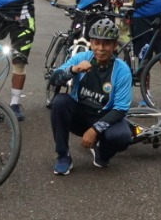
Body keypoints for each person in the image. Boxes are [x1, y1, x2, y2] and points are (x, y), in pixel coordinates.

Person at [46, 17, 133, 174]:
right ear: (91, 43)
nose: (100, 48)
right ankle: (62, 155)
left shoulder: (122, 70)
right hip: (79, 114)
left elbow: (120, 109)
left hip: (103, 117)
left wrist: (94, 130)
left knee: (123, 136)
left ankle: (102, 152)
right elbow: (53, 79)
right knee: (59, 102)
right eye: (96, 43)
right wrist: (73, 70)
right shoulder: (82, 58)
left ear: (114, 46)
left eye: (106, 43)